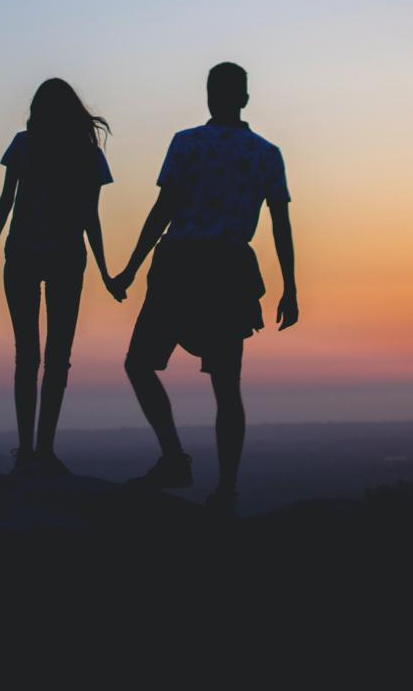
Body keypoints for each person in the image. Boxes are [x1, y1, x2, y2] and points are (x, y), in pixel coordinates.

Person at [111, 62, 298, 516]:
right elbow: (280, 224)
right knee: (226, 386)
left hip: (179, 264)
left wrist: (131, 269)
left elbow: (163, 209)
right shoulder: (265, 153)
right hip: (228, 270)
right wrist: (290, 288)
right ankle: (226, 490)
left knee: (139, 364)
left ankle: (174, 459)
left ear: (210, 96)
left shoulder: (187, 143)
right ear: (245, 98)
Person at [0, 78, 121, 476]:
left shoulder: (24, 145)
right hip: (65, 258)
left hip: (23, 254)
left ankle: (28, 450)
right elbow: (90, 218)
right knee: (57, 358)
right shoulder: (87, 155)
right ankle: (42, 450)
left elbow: (6, 202)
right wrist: (106, 272)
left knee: (27, 356)